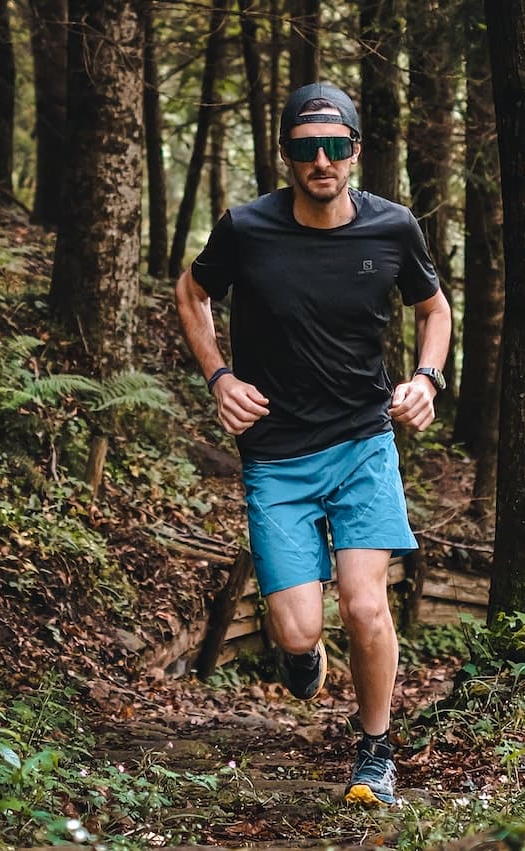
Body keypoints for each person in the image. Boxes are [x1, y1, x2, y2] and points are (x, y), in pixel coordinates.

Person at [175, 82, 451, 806]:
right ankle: (305, 656)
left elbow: (435, 308)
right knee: (296, 632)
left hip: (363, 444)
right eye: (306, 149)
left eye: (335, 146)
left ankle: (376, 751)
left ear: (356, 150)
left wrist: (426, 377)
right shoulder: (246, 228)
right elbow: (191, 292)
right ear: (287, 156)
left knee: (365, 605)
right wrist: (218, 375)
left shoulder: (393, 229)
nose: (321, 160)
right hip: (277, 456)